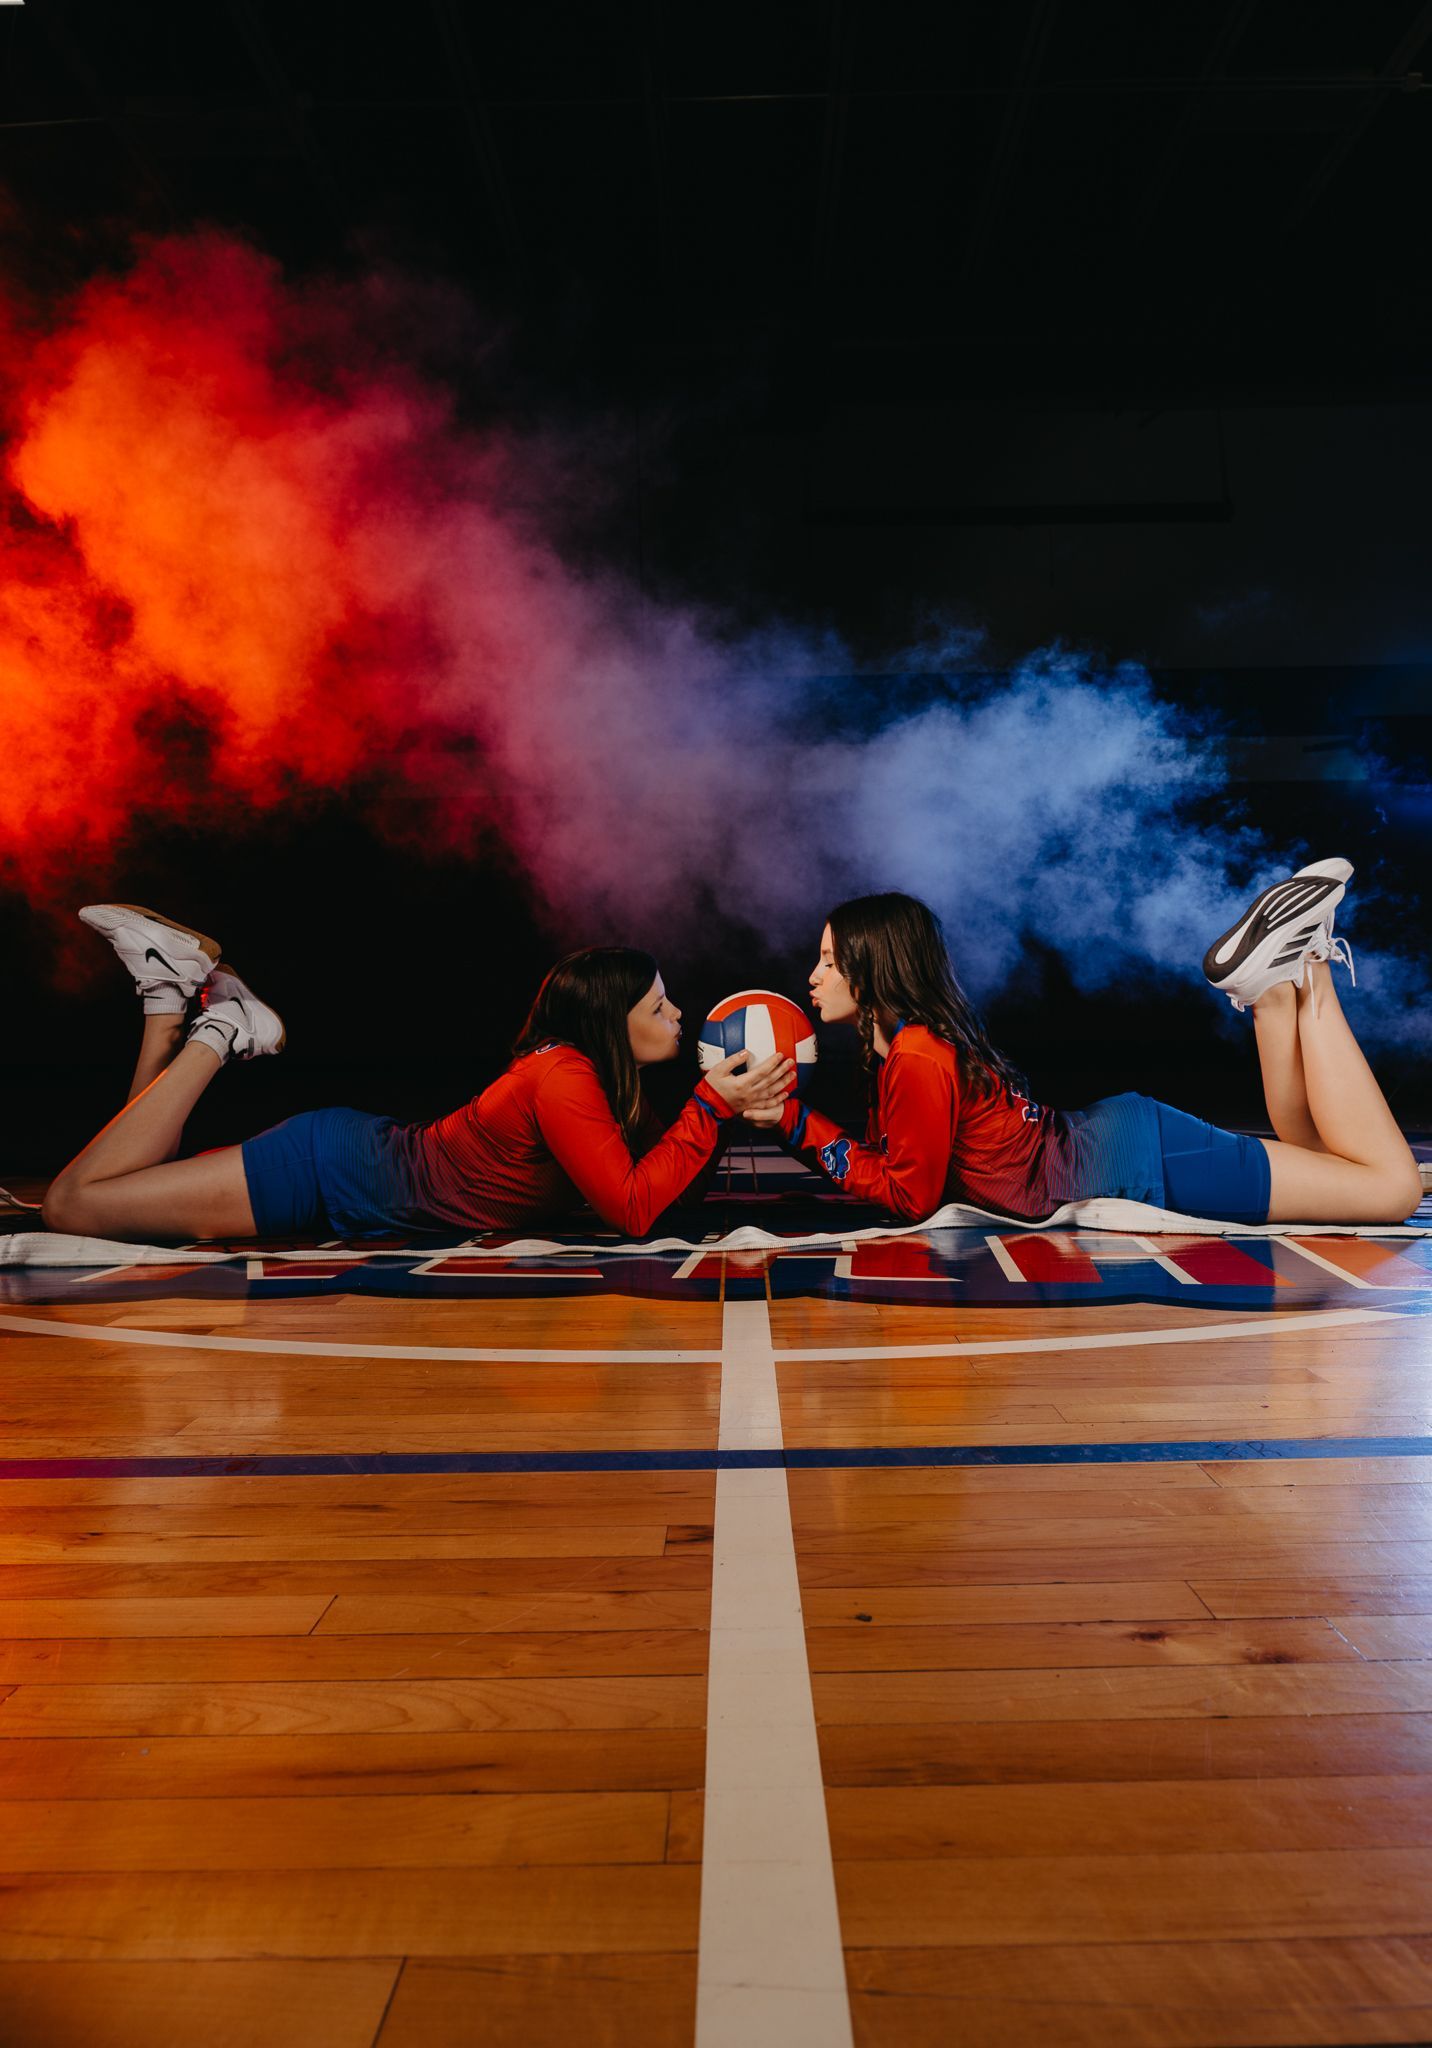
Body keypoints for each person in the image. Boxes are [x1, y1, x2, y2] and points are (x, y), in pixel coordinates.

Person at [40, 907, 793, 1244]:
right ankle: (224, 1028)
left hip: (351, 1157)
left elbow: (653, 1187)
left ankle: (166, 995)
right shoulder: (564, 1076)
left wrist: (726, 1112)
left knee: (137, 1177)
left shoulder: (583, 1077)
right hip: (326, 1172)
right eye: (657, 1005)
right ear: (609, 1019)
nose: (677, 1013)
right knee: (75, 1207)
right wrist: (709, 1104)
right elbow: (632, 1212)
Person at [747, 865, 1420, 1227]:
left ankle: (1308, 969)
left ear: (871, 971)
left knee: (1389, 1191)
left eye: (830, 961)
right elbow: (900, 1162)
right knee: (1318, 1157)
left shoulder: (916, 1058)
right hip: (1125, 1142)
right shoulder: (919, 1046)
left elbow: (908, 1198)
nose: (813, 977)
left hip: (1138, 1160)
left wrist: (794, 1122)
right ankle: (1274, 993)